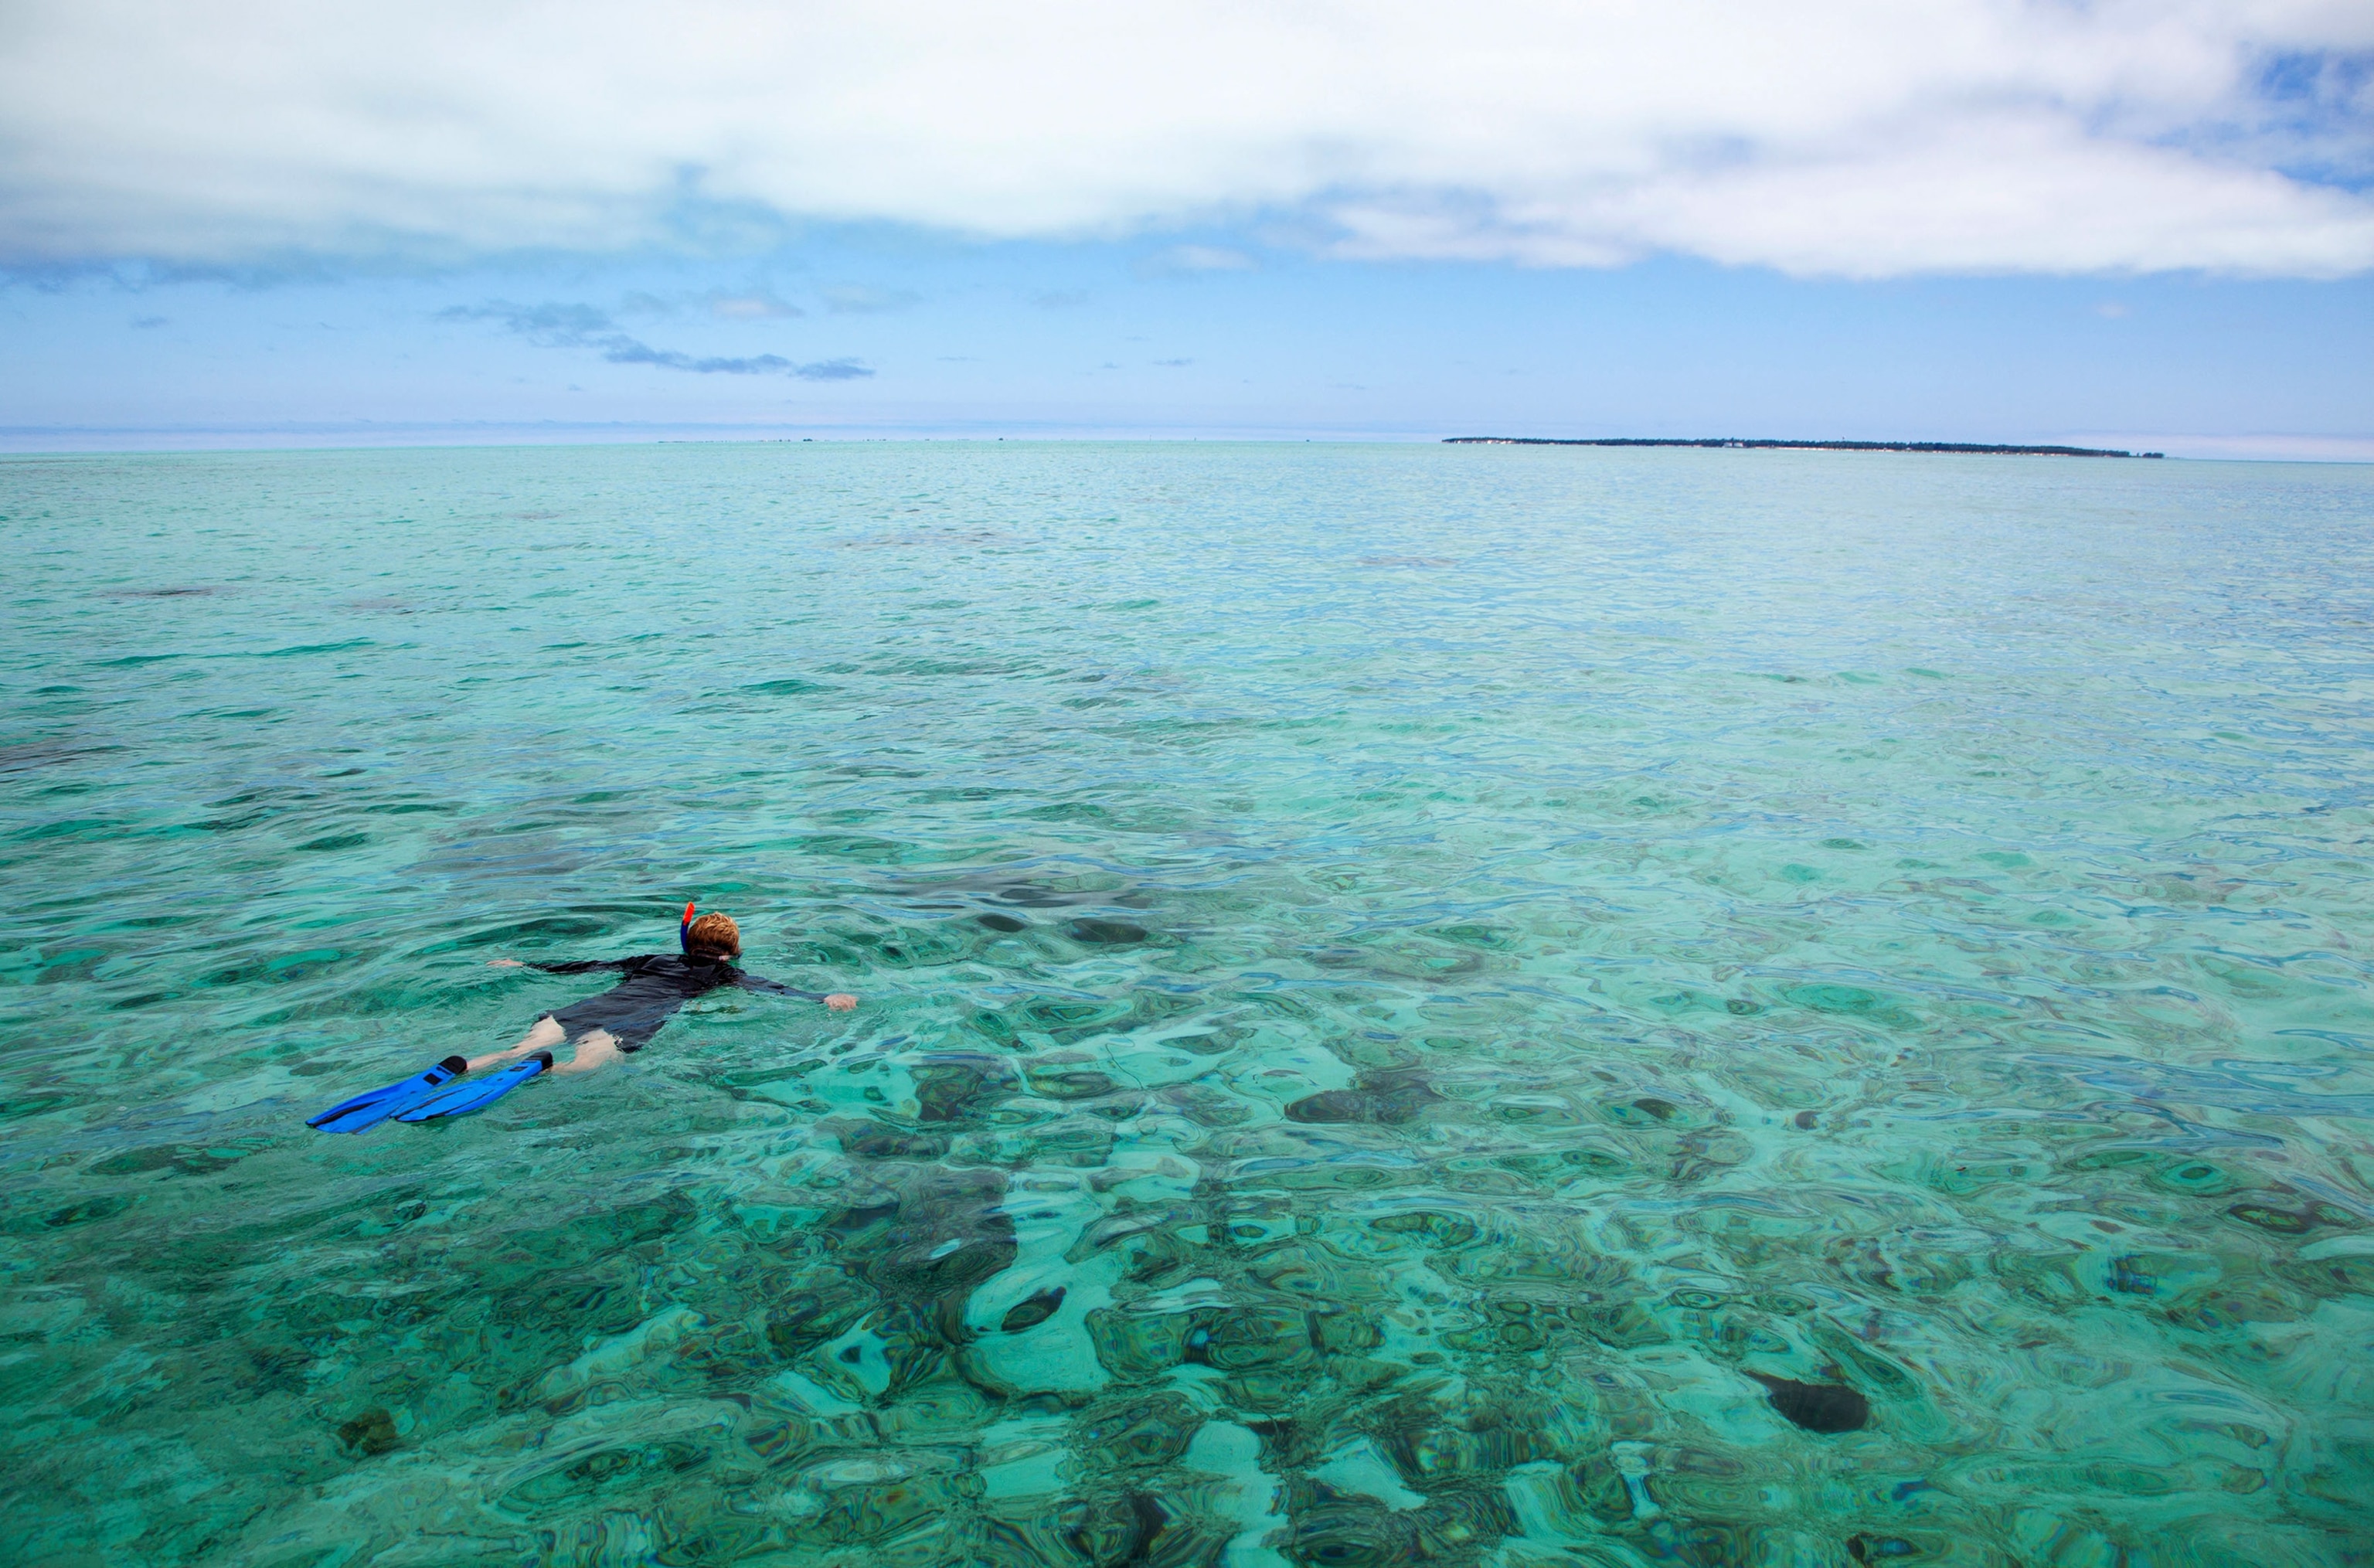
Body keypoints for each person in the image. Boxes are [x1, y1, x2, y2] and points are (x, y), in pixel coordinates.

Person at [306, 903, 856, 1131]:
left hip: (580, 1009)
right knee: (588, 1068)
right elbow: (775, 988)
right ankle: (544, 1069)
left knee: (512, 1048)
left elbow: (584, 964)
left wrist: (523, 961)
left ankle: (469, 1064)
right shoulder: (727, 976)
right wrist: (823, 999)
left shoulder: (652, 957)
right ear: (732, 952)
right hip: (630, 1023)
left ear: (687, 940)